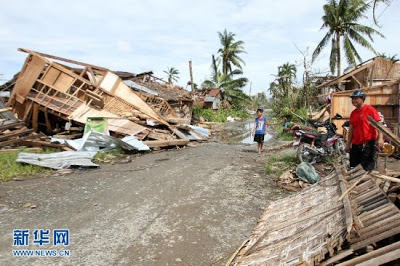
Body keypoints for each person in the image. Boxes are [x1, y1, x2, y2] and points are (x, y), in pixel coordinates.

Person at [345, 89, 383, 172]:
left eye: (356, 98)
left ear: (362, 99)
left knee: (367, 168)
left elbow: (379, 125)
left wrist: (380, 139)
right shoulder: (353, 113)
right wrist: (348, 144)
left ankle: (367, 183)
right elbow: (351, 129)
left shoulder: (370, 110)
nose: (353, 100)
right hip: (356, 144)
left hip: (368, 144)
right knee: (354, 167)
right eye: (352, 99)